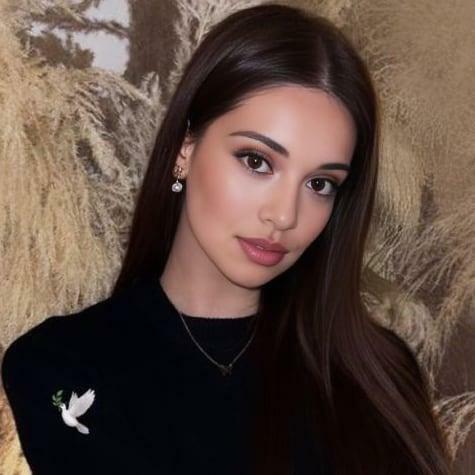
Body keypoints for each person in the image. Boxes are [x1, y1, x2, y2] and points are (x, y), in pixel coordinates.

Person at [1, 3, 452, 475]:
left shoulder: (382, 376)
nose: (284, 215)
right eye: (257, 161)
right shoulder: (61, 366)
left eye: (319, 184)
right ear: (186, 149)